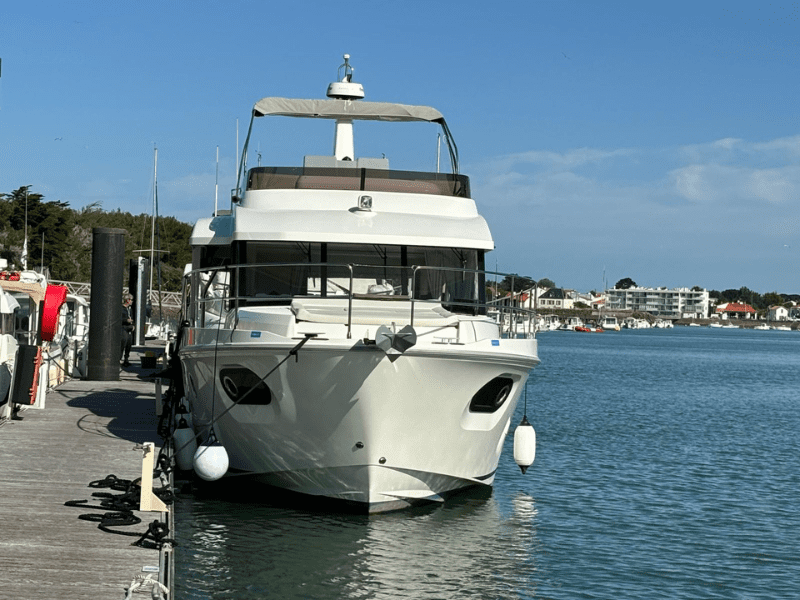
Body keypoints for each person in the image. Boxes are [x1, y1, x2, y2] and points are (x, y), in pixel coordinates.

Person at [121, 294, 134, 366]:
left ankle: (126, 358)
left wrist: (133, 325)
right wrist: (126, 320)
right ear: (128, 300)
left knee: (129, 345)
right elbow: (119, 319)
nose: (132, 302)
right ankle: (119, 359)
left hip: (129, 329)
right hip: (123, 328)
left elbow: (131, 318)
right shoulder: (121, 309)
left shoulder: (130, 309)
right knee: (123, 343)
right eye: (131, 300)